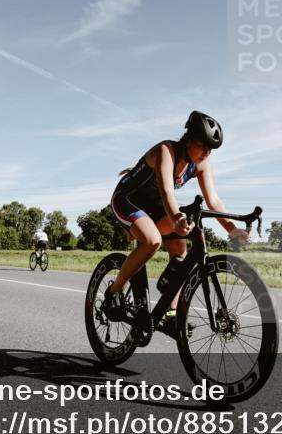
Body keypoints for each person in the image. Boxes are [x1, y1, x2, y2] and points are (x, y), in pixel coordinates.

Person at [105, 111, 248, 334]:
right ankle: (114, 292)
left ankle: (171, 313)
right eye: (203, 146)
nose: (207, 153)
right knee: (152, 241)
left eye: (211, 150)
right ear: (189, 139)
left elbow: (213, 200)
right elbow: (166, 191)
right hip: (127, 200)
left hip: (155, 208)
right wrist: (177, 217)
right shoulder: (166, 150)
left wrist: (231, 229)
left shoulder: (201, 165)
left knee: (180, 245)